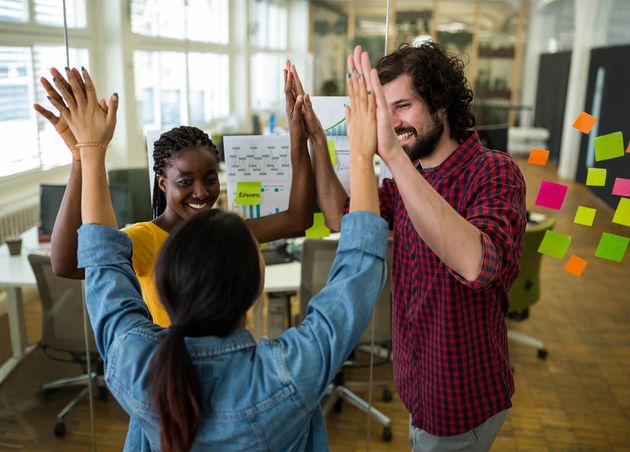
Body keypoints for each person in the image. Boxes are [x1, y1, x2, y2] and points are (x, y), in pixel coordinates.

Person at [52, 55, 387, 450]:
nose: (201, 191)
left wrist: (88, 153)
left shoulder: (138, 366)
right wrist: (362, 157)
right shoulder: (287, 373)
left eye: (209, 179)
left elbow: (103, 264)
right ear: (254, 282)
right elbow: (355, 276)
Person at [310, 43, 527, 450]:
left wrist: (391, 154)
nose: (391, 122)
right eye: (383, 109)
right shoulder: (406, 182)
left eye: (403, 106)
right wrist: (317, 141)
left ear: (441, 104)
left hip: (460, 403)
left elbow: (477, 265)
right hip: (418, 389)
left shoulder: (495, 171)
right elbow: (343, 217)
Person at [34, 62, 315, 327]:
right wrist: (80, 160)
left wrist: (297, 138)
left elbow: (297, 219)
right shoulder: (145, 238)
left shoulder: (227, 232)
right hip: (174, 367)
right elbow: (66, 264)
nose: (202, 192)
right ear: (162, 182)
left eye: (210, 179)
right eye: (185, 181)